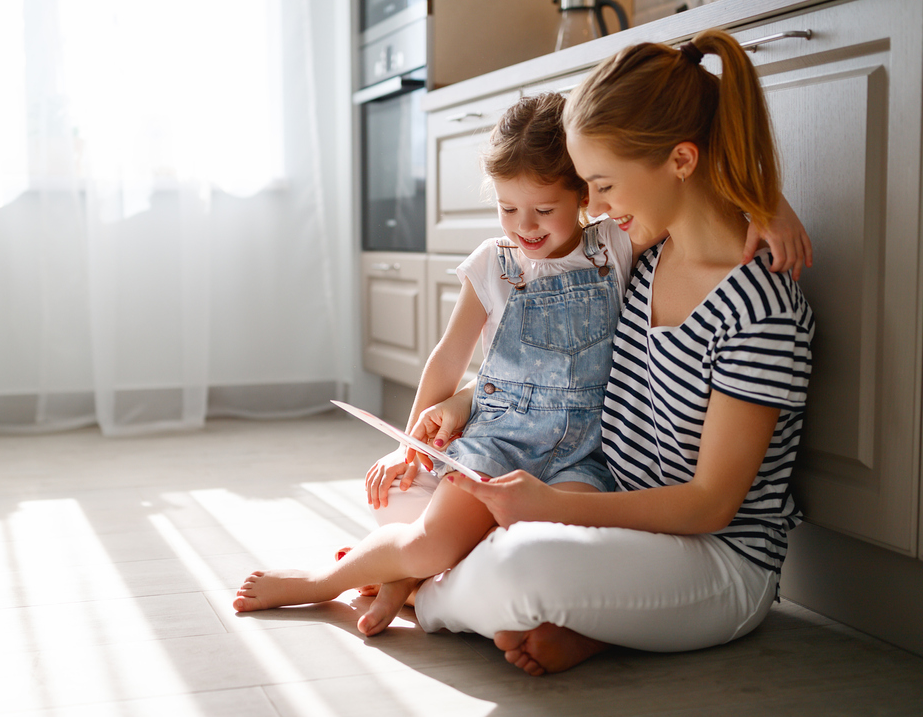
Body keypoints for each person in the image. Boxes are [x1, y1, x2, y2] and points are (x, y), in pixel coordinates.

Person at [378, 28, 815, 676]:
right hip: (618, 513)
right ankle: (580, 622)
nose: (593, 209)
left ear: (681, 162)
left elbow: (706, 507)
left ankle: (420, 589)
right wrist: (470, 400)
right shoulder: (640, 258)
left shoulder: (759, 307)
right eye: (586, 187)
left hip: (712, 555)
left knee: (520, 560)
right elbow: (565, 364)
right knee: (415, 493)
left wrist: (549, 508)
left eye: (602, 186)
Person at [232, 93, 641, 634]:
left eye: (544, 209)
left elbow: (696, 204)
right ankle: (323, 582)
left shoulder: (615, 243)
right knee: (432, 544)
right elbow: (449, 357)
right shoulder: (492, 266)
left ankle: (400, 586)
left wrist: (770, 217)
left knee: (542, 548)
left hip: (585, 456)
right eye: (506, 208)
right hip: (499, 442)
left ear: (585, 193)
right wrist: (411, 448)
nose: (525, 226)